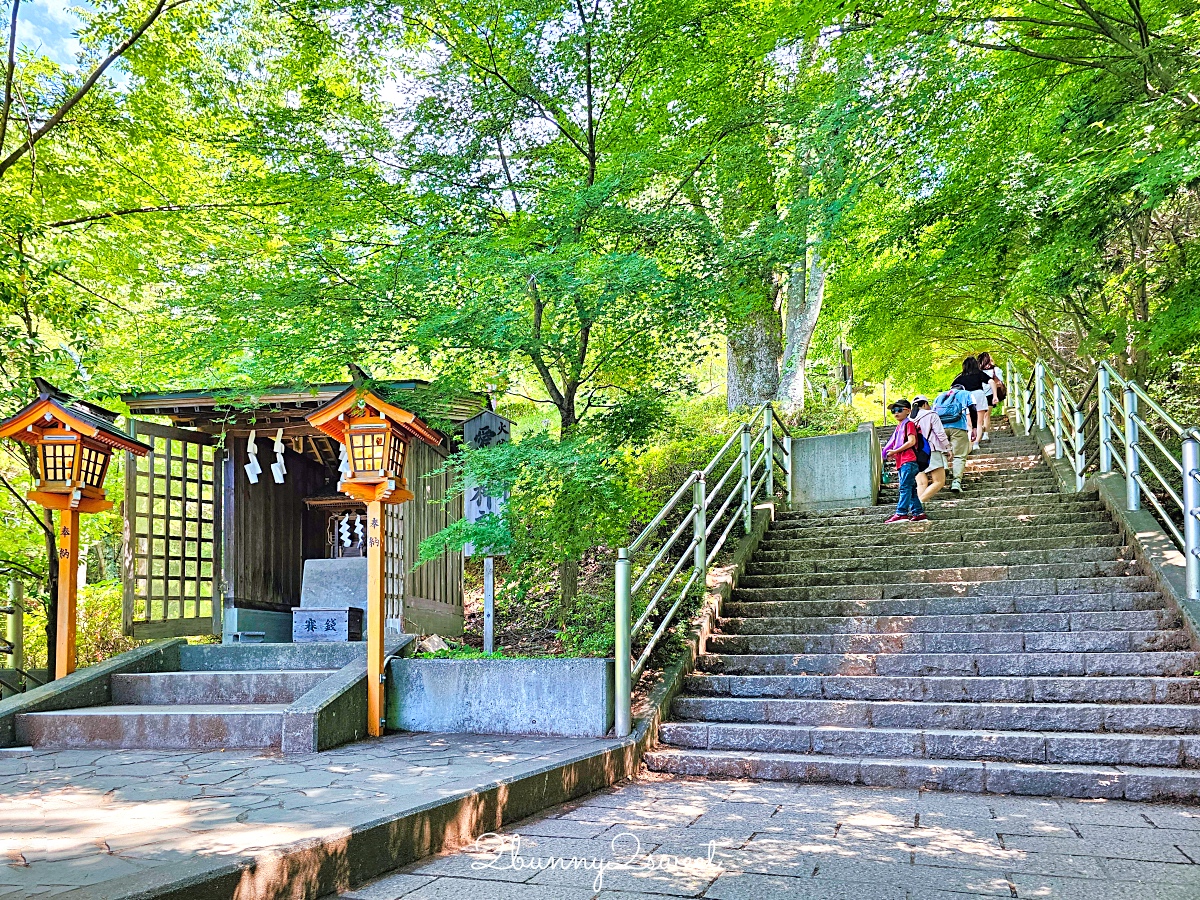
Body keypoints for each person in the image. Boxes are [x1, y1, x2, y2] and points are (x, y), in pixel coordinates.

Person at [881, 398, 925, 523]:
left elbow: (912, 441)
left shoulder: (909, 424)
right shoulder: (899, 427)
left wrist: (895, 451)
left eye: (899, 410)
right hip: (903, 461)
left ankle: (901, 513)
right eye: (893, 411)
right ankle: (918, 513)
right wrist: (892, 453)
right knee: (910, 489)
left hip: (909, 461)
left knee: (904, 487)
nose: (896, 413)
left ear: (908, 411)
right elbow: (895, 444)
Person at [933, 382, 978, 494]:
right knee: (959, 456)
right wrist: (974, 427)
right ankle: (956, 482)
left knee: (941, 452)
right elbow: (973, 409)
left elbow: (933, 413)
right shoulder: (966, 393)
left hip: (940, 428)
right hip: (959, 427)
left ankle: (944, 465)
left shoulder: (940, 396)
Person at [911, 395, 952, 503]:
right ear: (924, 404)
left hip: (914, 453)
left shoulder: (909, 419)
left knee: (921, 483)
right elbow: (940, 433)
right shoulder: (931, 415)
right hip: (931, 450)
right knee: (939, 481)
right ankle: (918, 504)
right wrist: (948, 448)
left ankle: (919, 512)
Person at [952, 357, 992, 450]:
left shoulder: (960, 377)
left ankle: (970, 441)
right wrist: (994, 396)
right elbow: (991, 381)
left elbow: (952, 388)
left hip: (967, 397)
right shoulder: (979, 373)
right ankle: (976, 443)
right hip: (979, 395)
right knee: (979, 422)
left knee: (969, 423)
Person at [978, 351, 1003, 440]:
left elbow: (999, 383)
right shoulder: (977, 372)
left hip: (990, 395)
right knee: (982, 415)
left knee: (986, 415)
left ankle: (985, 433)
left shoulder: (995, 370)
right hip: (980, 395)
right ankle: (982, 432)